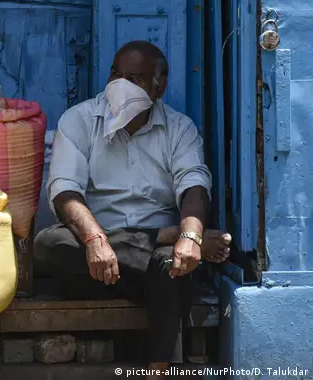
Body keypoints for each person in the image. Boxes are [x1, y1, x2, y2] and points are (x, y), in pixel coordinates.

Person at [34, 40, 231, 379]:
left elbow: (195, 185)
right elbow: (64, 191)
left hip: (155, 266)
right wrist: (95, 240)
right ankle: (161, 237)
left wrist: (190, 236)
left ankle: (158, 370)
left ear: (159, 86)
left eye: (134, 78)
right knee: (49, 243)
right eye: (115, 74)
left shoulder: (179, 128)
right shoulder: (80, 119)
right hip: (94, 263)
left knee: (170, 264)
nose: (119, 85)